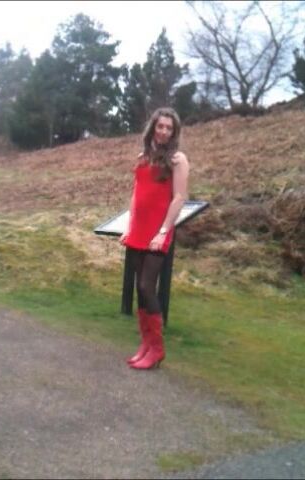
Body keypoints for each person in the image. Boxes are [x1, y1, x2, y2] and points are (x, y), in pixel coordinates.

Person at [119, 107, 189, 370]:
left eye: (169, 128)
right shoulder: (143, 158)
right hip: (138, 229)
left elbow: (179, 197)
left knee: (147, 286)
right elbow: (136, 194)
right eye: (160, 126)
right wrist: (129, 227)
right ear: (153, 128)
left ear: (174, 132)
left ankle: (157, 349)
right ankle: (145, 345)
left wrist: (163, 231)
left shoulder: (178, 160)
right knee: (140, 288)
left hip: (158, 231)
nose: (164, 131)